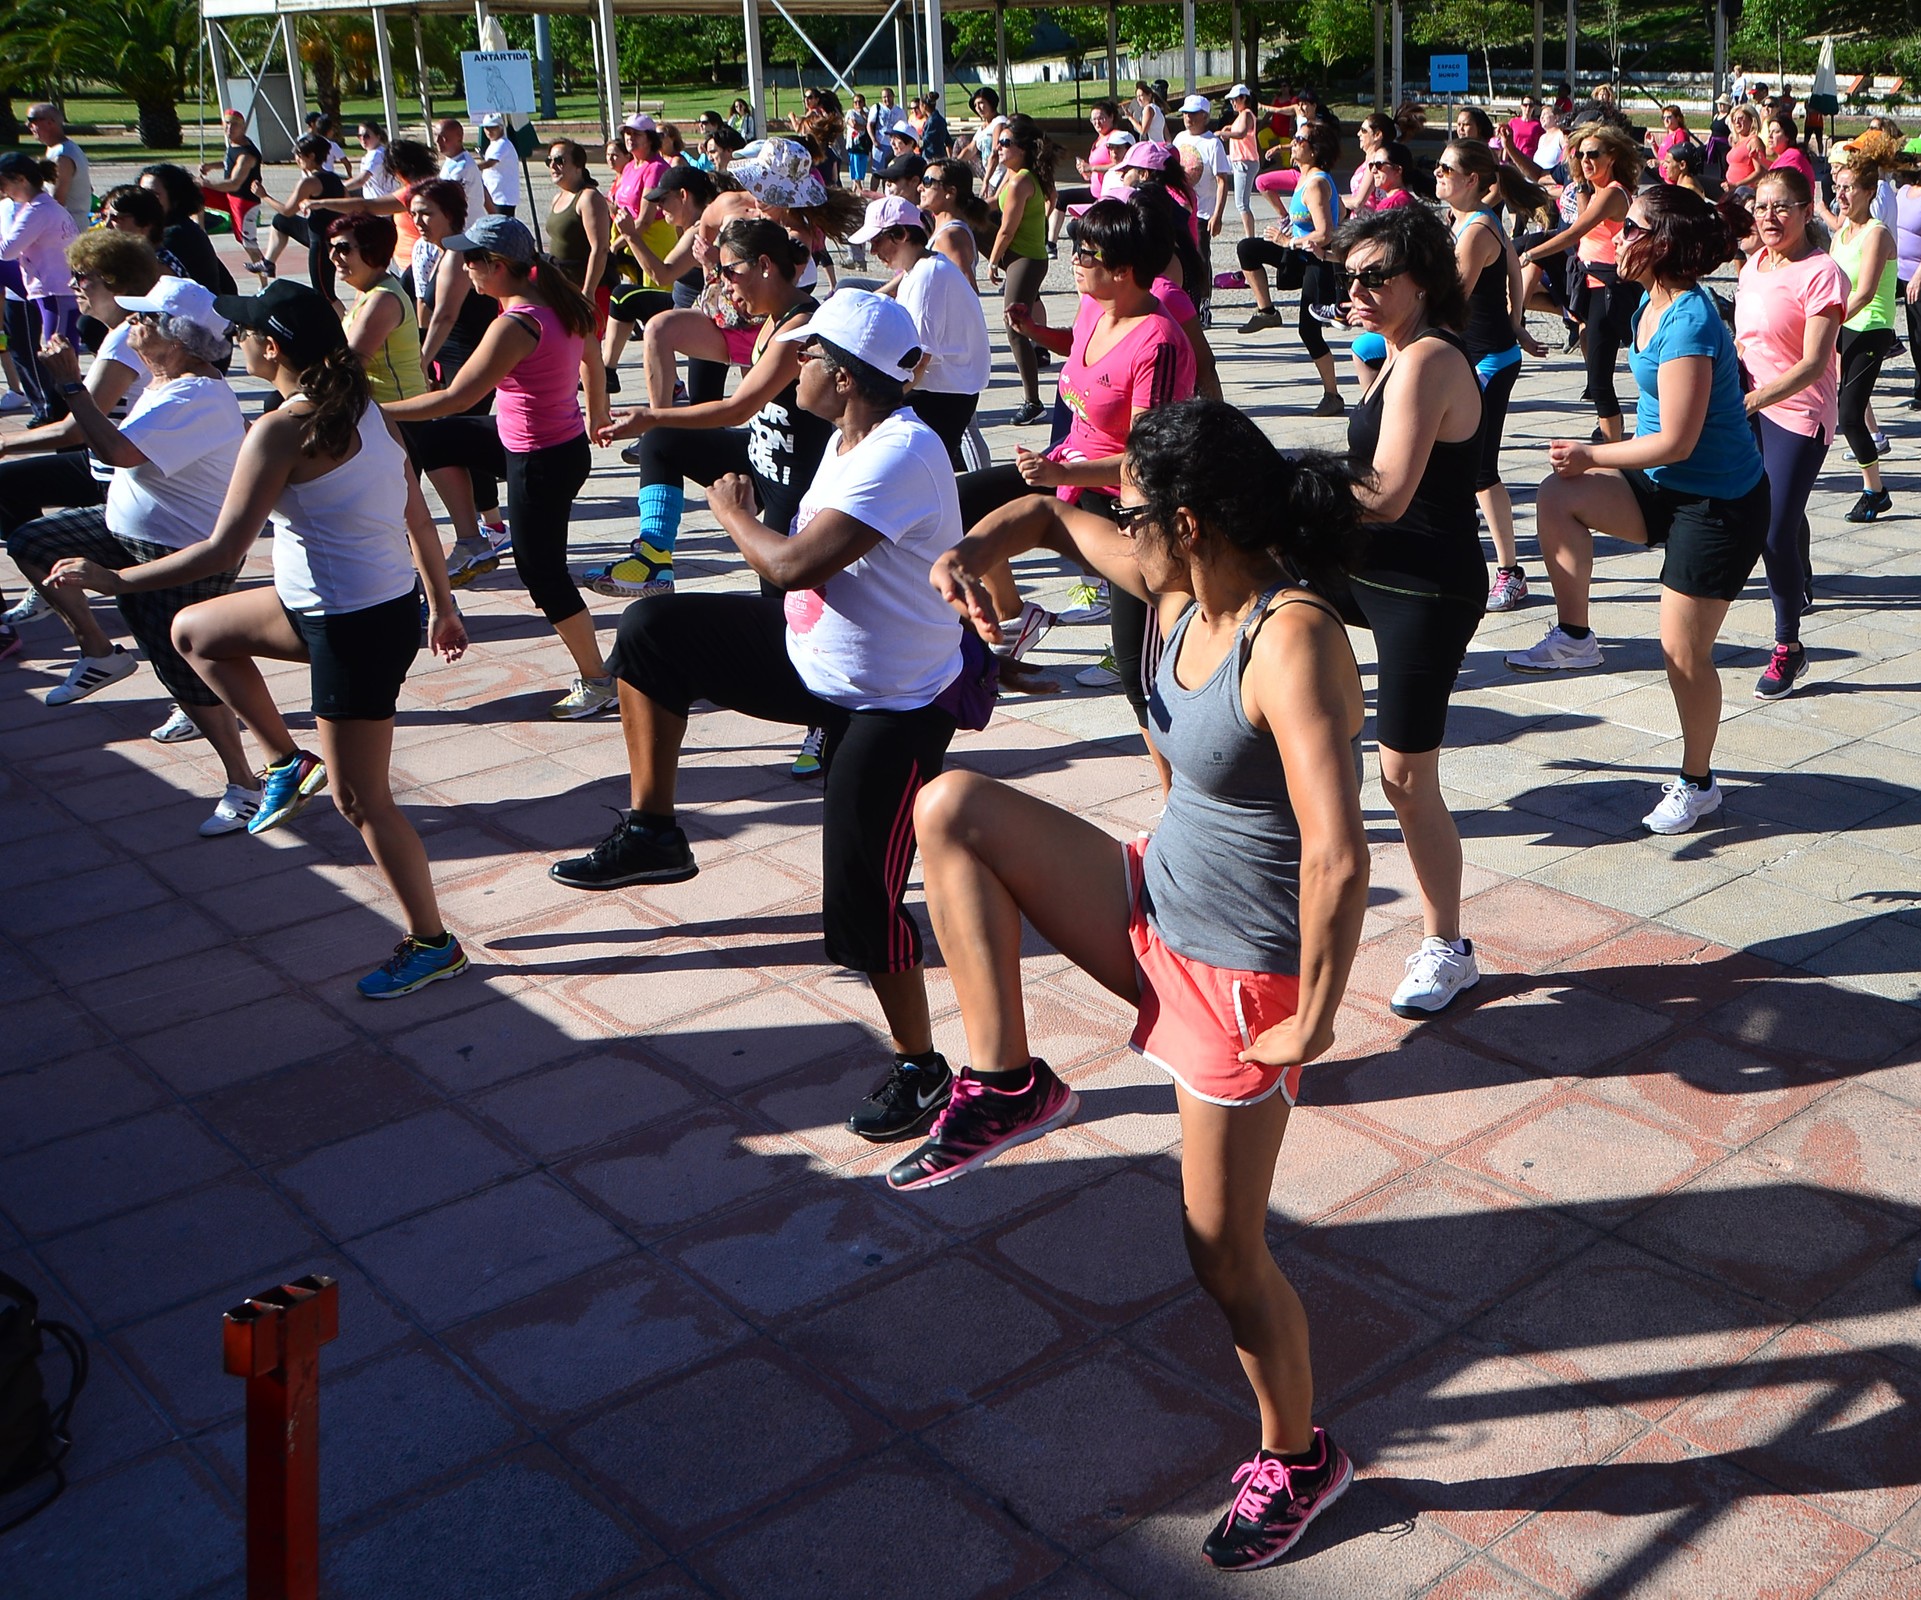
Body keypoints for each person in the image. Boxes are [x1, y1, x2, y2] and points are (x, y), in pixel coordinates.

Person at [907, 396, 1368, 1569]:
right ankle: (1005, 1078)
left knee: (1221, 1252)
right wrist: (981, 544)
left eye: (1141, 515)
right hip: (1148, 901)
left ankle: (1299, 1454)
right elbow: (1059, 522)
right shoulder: (1176, 581)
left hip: (1242, 975)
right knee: (949, 807)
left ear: (1194, 522)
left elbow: (1335, 849)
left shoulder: (1292, 636)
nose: (1127, 529)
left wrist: (1313, 1016)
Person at [552, 289, 975, 1145]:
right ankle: (653, 830)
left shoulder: (899, 453)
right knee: (653, 630)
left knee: (862, 901)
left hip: (889, 704)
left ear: (845, 377)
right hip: (814, 664)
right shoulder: (850, 433)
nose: (792, 370)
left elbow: (789, 565)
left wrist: (728, 512)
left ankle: (921, 1067)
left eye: (805, 358)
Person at [52, 280, 470, 996]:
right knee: (196, 630)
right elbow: (417, 517)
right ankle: (284, 762)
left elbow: (222, 551)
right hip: (352, 608)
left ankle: (433, 942)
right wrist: (440, 601)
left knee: (362, 801)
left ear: (270, 348)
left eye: (244, 333)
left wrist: (119, 583)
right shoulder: (364, 409)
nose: (235, 342)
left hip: (354, 626)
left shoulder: (283, 429)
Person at [1506, 185, 1769, 837]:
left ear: (1662, 243)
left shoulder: (1690, 319)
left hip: (1719, 504)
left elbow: (1677, 439)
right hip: (1661, 485)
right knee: (1555, 495)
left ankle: (1697, 783)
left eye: (1630, 228)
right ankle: (1574, 639)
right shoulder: (1646, 303)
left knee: (1681, 653)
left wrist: (1595, 455)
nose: (1617, 236)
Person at [11, 278, 253, 828]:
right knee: (34, 542)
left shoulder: (196, 395)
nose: (129, 326)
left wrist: (72, 386)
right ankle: (101, 654)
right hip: (126, 534)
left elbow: (118, 450)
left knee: (183, 670)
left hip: (176, 553)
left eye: (141, 320)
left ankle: (245, 783)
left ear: (178, 339)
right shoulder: (169, 380)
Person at [1330, 205, 1487, 1015]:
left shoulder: (1427, 357)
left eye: (1371, 277)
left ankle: (1447, 947)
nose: (1352, 289)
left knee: (1405, 780)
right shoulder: (1390, 354)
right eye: (1346, 275)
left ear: (1421, 281)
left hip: (1426, 583)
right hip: (1368, 568)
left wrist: (1284, 494)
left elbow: (1386, 497)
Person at [960, 198, 1197, 727]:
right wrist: (1038, 334)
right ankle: (1012, 622)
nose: (1074, 259)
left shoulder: (1158, 342)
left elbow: (1144, 460)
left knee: (1139, 679)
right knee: (958, 509)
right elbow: (1082, 347)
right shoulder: (1096, 305)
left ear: (1123, 270)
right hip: (1066, 472)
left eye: (1086, 252)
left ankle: (1182, 785)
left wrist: (1064, 475)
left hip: (1128, 508)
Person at [385, 216, 614, 719]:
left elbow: (456, 396)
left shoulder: (515, 324)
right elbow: (593, 364)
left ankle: (599, 680)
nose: (464, 267)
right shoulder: (560, 301)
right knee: (441, 439)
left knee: (543, 574)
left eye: (472, 260)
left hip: (540, 461)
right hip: (550, 446)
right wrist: (596, 414)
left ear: (499, 265)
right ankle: (475, 539)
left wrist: (373, 411)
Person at [585, 217, 826, 606]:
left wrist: (651, 415)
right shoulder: (766, 315)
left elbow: (737, 408)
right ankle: (653, 561)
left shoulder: (800, 326)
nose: (725, 282)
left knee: (778, 599)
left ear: (764, 265)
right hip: (759, 458)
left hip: (791, 482)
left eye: (730, 271)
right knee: (662, 443)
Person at [0, 231, 163, 702]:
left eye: (82, 277)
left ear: (111, 282)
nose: (72, 284)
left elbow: (76, 427)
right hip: (108, 465)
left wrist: (7, 442)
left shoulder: (124, 341)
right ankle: (55, 586)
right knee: (10, 497)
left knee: (151, 605)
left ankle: (97, 643)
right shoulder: (120, 331)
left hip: (126, 478)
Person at [1733, 166, 1843, 700]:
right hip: (1748, 407)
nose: (1769, 217)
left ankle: (1789, 645)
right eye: (1760, 207)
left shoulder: (1821, 272)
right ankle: (1798, 580)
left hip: (1799, 412)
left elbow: (1812, 362)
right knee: (1774, 512)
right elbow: (1747, 341)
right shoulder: (1752, 266)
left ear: (1805, 211)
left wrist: (1753, 398)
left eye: (1781, 207)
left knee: (1772, 529)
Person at [1436, 139, 1542, 614]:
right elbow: (1514, 271)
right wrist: (1517, 318)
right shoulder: (1462, 221)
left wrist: (1512, 327)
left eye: (1445, 169)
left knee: (1481, 471)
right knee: (1364, 348)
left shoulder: (1476, 229)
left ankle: (1510, 573)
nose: (1436, 174)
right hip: (1472, 354)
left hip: (1488, 362)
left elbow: (1450, 301)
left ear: (1472, 179)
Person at [1520, 123, 1641, 444]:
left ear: (1612, 156)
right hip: (1584, 280)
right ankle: (1512, 319)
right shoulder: (1596, 190)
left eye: (1593, 154)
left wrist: (1528, 254)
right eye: (1580, 154)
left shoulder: (1614, 192)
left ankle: (1613, 448)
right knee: (1592, 364)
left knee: (1600, 381)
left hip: (1607, 287)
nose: (1586, 160)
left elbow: (1574, 232)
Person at [860, 196, 991, 467]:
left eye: (876, 241)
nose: (873, 251)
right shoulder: (920, 266)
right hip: (942, 387)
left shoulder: (928, 275)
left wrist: (883, 403)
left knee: (919, 468)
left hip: (946, 392)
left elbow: (918, 358)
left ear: (902, 235)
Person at [1236, 121, 1345, 419]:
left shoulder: (1317, 183)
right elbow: (1343, 212)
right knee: (1248, 249)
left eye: (1300, 139)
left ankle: (1332, 395)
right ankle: (1267, 311)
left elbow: (1325, 233)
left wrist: (1290, 239)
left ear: (1315, 149)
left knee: (1308, 331)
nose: (1293, 143)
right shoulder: (1304, 178)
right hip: (1298, 254)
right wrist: (1292, 234)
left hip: (1316, 261)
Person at [1829, 152, 1899, 524]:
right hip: (1845, 325)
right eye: (1837, 187)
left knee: (1850, 415)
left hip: (1870, 327)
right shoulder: (1842, 231)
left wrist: (1827, 321)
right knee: (1840, 408)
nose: (1840, 195)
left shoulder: (1877, 233)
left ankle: (1875, 491)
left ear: (1869, 191)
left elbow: (1865, 292)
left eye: (1848, 188)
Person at [987, 115, 1056, 426]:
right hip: (1021, 257)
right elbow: (990, 206)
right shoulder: (1015, 174)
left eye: (1006, 143)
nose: (999, 148)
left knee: (1014, 327)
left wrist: (991, 261)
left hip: (1026, 259)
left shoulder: (1020, 180)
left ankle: (1033, 402)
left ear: (1023, 148)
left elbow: (1006, 230)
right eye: (999, 141)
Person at [331, 214, 427, 405]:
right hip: (380, 412)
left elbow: (350, 367)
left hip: (398, 417)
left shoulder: (383, 299)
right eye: (331, 247)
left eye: (343, 248)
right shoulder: (369, 290)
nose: (332, 256)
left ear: (372, 250)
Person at [0, 152, 81, 351]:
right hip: (59, 291)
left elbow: (6, 252)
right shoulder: (47, 206)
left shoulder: (36, 211)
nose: (1, 190)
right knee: (61, 355)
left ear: (20, 179)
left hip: (56, 292)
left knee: (59, 355)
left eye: (2, 184)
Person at [259, 135, 347, 302]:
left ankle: (342, 324)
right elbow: (348, 203)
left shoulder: (309, 182)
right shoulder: (334, 178)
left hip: (321, 242)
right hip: (321, 232)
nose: (296, 159)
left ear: (312, 156)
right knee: (279, 222)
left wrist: (264, 196)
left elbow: (287, 210)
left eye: (299, 155)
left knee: (324, 294)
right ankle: (268, 262)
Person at [1173, 94, 1232, 316]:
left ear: (1205, 116)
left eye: (1193, 114)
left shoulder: (1212, 143)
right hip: (1180, 207)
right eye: (1186, 114)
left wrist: (1217, 214)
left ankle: (1203, 302)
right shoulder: (1179, 139)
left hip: (1203, 211)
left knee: (1200, 257)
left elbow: (1222, 181)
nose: (1188, 118)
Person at [198, 108, 270, 277]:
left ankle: (265, 281)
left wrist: (207, 182)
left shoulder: (247, 154)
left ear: (243, 128)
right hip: (229, 197)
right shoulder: (233, 144)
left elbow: (234, 183)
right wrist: (210, 166)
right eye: (226, 124)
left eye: (234, 125)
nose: (229, 128)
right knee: (196, 191)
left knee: (248, 244)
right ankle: (200, 233)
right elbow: (228, 163)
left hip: (244, 202)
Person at [918, 159, 992, 287]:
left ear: (950, 192)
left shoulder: (950, 236)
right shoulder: (946, 231)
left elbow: (969, 290)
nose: (920, 188)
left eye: (927, 182)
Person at [27, 104, 91, 236]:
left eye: (32, 120)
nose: (28, 125)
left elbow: (58, 200)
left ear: (50, 122)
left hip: (66, 229)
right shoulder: (59, 148)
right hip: (64, 225)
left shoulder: (62, 155)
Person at [435, 119, 491, 229]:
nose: (437, 140)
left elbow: (447, 201)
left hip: (466, 231)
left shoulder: (463, 167)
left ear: (459, 137)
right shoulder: (452, 161)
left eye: (443, 137)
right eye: (435, 135)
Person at [477, 114, 521, 218]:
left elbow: (490, 163)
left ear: (501, 127)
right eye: (486, 128)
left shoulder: (502, 144)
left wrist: (470, 168)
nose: (489, 131)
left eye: (493, 127)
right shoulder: (495, 144)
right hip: (495, 195)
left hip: (502, 197)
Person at [342, 120, 398, 199]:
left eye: (366, 136)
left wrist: (339, 187)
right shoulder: (379, 152)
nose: (362, 139)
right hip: (383, 202)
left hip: (381, 204)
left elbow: (361, 180)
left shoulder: (376, 155)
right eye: (359, 136)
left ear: (378, 136)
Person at [1724, 104, 1767, 192]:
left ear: (1752, 120)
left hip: (1744, 190)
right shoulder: (1737, 142)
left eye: (1741, 118)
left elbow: (1760, 172)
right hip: (1730, 188)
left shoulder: (1754, 141)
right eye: (1734, 119)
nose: (1737, 122)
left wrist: (1736, 185)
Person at [1767, 116, 1817, 187]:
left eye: (1776, 132)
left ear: (1787, 136)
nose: (1770, 136)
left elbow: (1775, 181)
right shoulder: (1788, 155)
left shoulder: (1792, 156)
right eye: (1769, 131)